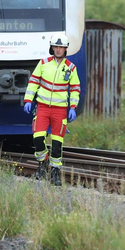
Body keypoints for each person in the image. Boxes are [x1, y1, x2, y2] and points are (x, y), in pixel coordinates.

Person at [23, 33, 81, 186]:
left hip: (60, 110)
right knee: (37, 138)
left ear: (66, 49)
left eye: (61, 47)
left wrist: (73, 107)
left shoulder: (71, 68)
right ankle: (43, 163)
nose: (58, 49)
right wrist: (28, 100)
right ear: (52, 48)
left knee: (57, 143)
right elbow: (33, 82)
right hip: (42, 107)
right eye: (56, 47)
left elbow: (75, 89)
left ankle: (55, 171)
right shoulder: (43, 63)